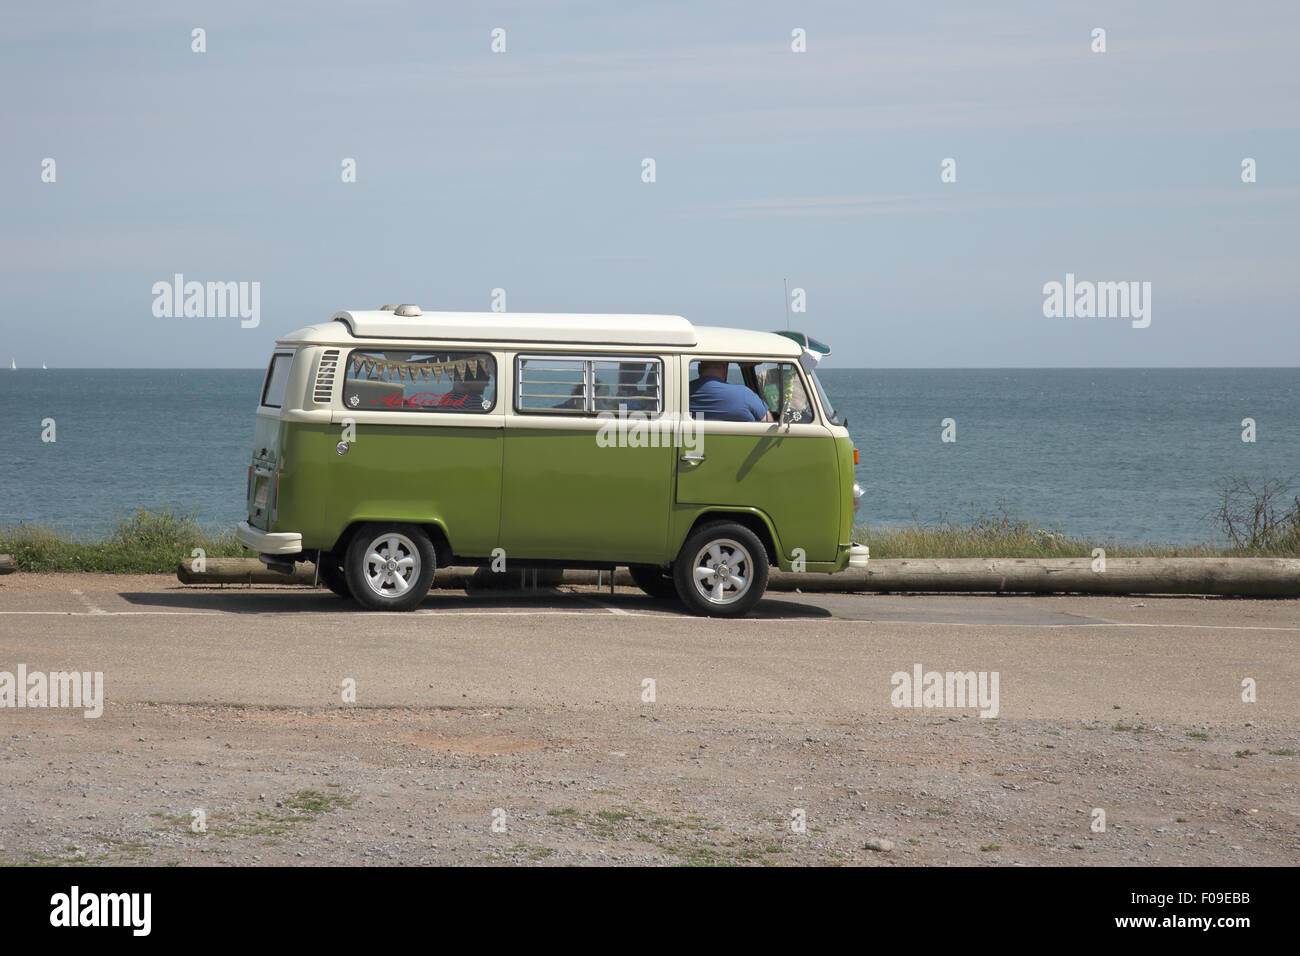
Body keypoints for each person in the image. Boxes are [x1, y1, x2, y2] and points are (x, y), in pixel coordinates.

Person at [688, 361, 773, 422]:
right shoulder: (745, 394)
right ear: (725, 369)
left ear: (699, 368)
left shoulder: (684, 392)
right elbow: (768, 422)